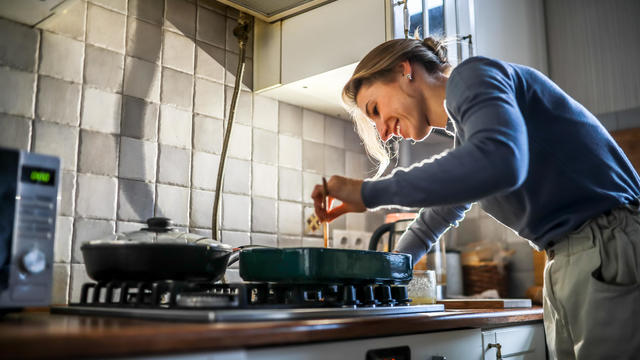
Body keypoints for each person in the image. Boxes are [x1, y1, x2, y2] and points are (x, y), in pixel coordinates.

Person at [312, 37, 640, 359]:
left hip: (609, 248)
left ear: (404, 71)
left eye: (376, 109)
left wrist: (367, 193)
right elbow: (432, 222)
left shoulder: (473, 75)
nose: (383, 132)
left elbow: (499, 160)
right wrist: (383, 277)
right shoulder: (471, 138)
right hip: (576, 260)